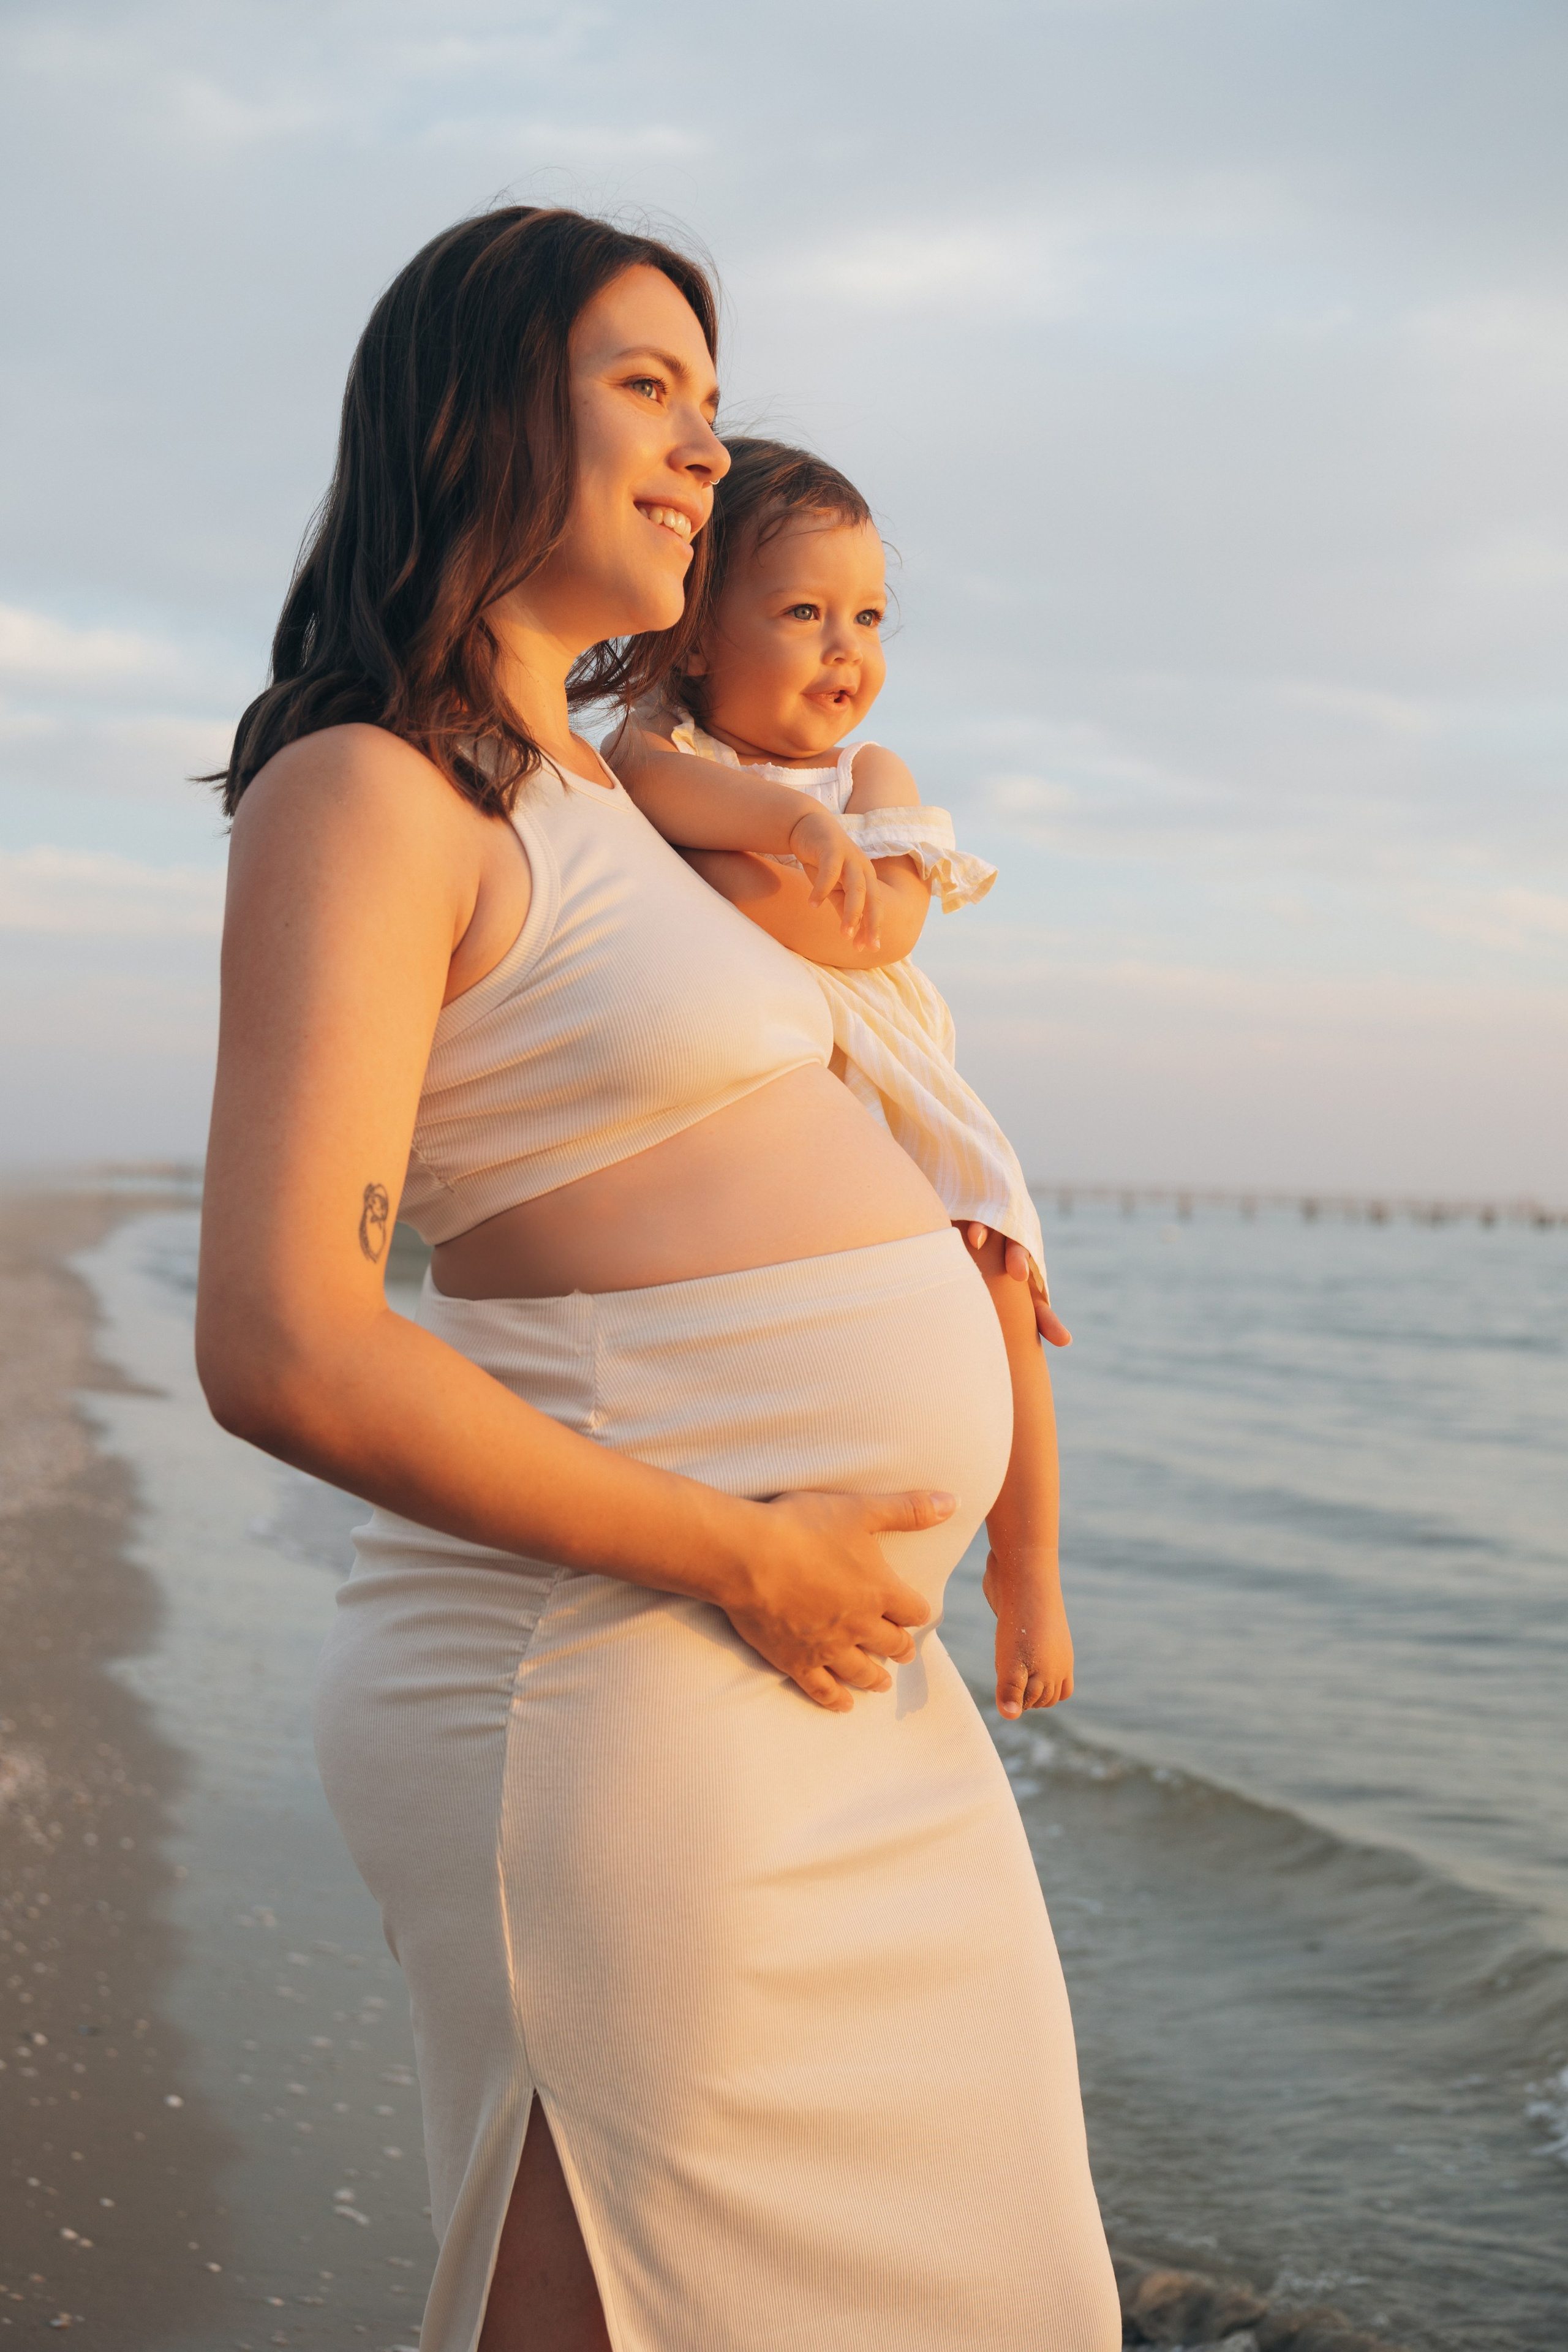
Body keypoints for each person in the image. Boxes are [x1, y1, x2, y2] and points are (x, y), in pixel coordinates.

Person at [195, 204, 1119, 2352]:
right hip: (616, 1670)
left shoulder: (615, 801)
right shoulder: (372, 787)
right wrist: (749, 1560)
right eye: (647, 388)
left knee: (984, 2286)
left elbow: (842, 903)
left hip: (816, 1682)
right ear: (474, 412)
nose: (709, 449)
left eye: (715, 405)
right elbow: (285, 1344)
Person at [607, 435, 1078, 1726]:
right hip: (768, 1073)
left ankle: (1025, 1569)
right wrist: (784, 827)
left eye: (866, 618)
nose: (843, 653)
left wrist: (786, 835)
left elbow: (866, 933)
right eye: (803, 614)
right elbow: (671, 803)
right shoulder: (646, 751)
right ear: (695, 635)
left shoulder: (874, 778)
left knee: (991, 1258)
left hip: (887, 1054)